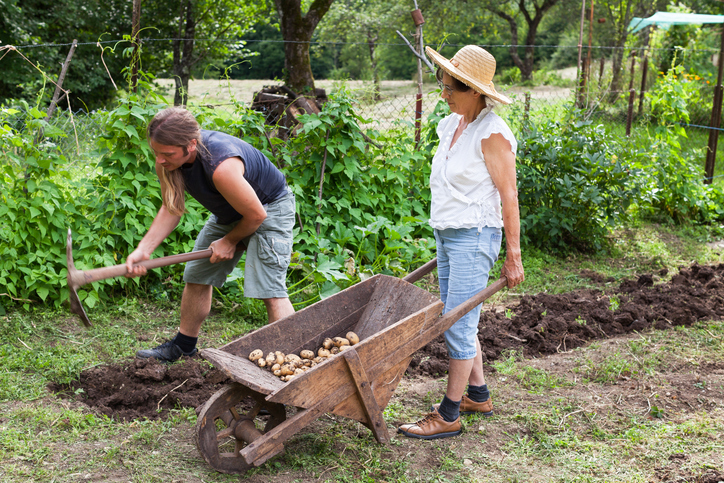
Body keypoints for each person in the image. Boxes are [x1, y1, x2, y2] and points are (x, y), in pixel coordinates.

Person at [397, 45, 525, 439]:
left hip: (474, 236)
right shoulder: (451, 125)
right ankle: (478, 394)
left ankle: (449, 414)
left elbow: (509, 196)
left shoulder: (492, 133)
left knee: (457, 322)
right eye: (442, 82)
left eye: (450, 86)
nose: (443, 91)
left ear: (474, 90)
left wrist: (513, 255)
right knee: (459, 316)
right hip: (449, 233)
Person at [125, 107, 296, 363]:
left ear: (191, 144)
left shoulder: (221, 165)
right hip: (231, 212)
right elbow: (172, 207)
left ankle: (287, 362)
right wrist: (144, 249)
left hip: (269, 208)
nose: (160, 160)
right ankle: (183, 346)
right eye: (156, 152)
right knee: (197, 275)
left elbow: (256, 215)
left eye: (167, 154)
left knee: (269, 289)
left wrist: (229, 241)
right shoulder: (168, 161)